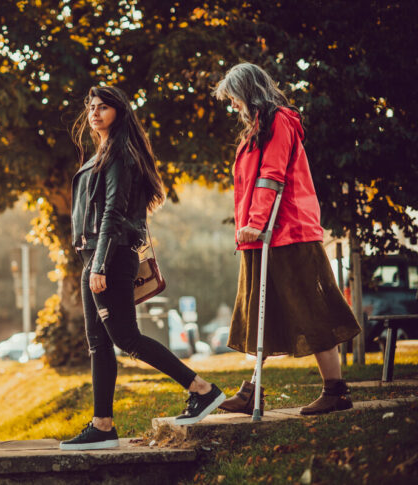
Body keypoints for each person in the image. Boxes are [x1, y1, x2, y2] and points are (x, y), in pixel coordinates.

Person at [59, 86, 225, 451]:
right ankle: (102, 426)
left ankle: (202, 389)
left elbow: (112, 213)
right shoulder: (103, 152)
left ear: (119, 112)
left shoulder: (120, 154)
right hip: (95, 258)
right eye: (92, 107)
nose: (96, 112)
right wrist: (93, 262)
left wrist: (100, 263)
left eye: (104, 107)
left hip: (111, 256)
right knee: (98, 344)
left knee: (126, 338)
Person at [212, 63, 361, 415]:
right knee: (264, 313)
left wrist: (257, 223)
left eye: (234, 96)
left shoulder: (279, 121)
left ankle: (336, 391)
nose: (232, 104)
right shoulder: (256, 129)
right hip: (261, 236)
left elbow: (272, 176)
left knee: (311, 311)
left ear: (247, 91)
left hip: (286, 232)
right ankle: (253, 391)